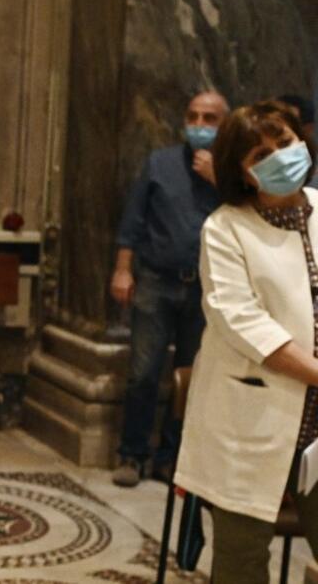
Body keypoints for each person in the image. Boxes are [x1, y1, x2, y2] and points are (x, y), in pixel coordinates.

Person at [175, 100, 318, 583]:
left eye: (284, 143)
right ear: (241, 171)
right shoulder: (225, 229)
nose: (279, 156)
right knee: (241, 563)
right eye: (260, 154)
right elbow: (244, 323)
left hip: (317, 426)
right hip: (250, 418)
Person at [110, 90, 227, 487]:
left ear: (225, 125)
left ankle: (172, 456)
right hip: (156, 283)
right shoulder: (159, 164)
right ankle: (132, 453)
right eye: (193, 116)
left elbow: (248, 219)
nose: (199, 125)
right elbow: (133, 221)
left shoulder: (233, 173)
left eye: (209, 119)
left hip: (207, 290)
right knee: (143, 372)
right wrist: (123, 271)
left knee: (191, 377)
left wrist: (220, 178)